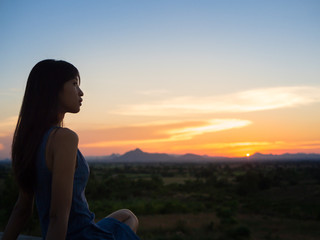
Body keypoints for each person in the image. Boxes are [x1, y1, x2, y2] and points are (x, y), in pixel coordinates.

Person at [3, 59, 141, 240]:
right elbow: (58, 216)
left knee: (127, 215)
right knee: (128, 221)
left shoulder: (28, 141)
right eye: (74, 84)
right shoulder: (64, 138)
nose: (81, 92)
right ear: (53, 89)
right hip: (80, 236)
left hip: (79, 230)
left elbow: (22, 209)